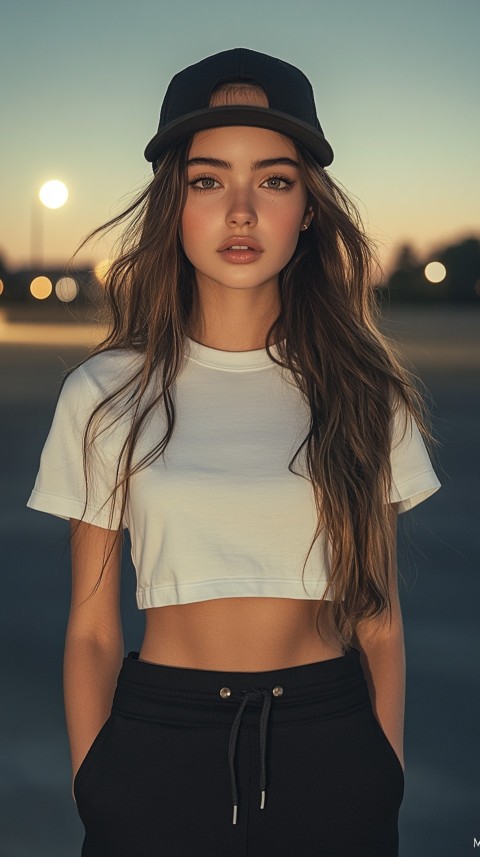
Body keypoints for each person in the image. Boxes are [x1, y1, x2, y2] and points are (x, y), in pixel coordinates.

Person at [26, 47, 441, 857]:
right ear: (173, 204)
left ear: (309, 208)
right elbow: (91, 630)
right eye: (209, 180)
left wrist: (381, 774)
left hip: (333, 741)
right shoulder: (106, 393)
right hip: (156, 747)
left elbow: (381, 623)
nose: (241, 211)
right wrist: (96, 785)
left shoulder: (364, 389)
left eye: (275, 180)